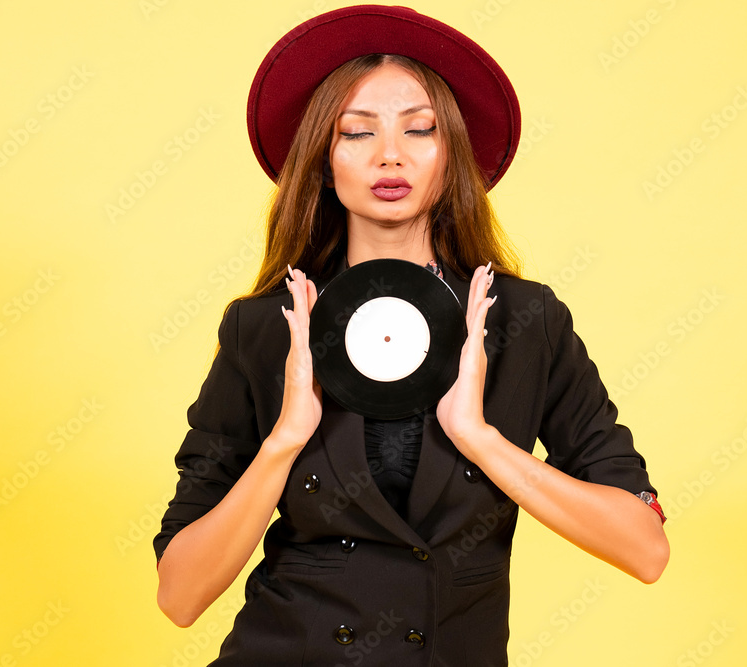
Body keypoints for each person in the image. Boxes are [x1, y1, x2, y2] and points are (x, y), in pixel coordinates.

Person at [154, 6, 668, 665]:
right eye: (357, 131)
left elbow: (645, 549)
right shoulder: (265, 328)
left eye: (420, 129)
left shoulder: (525, 322)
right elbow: (180, 595)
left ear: (452, 154)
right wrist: (283, 440)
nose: (390, 154)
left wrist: (480, 439)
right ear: (323, 161)